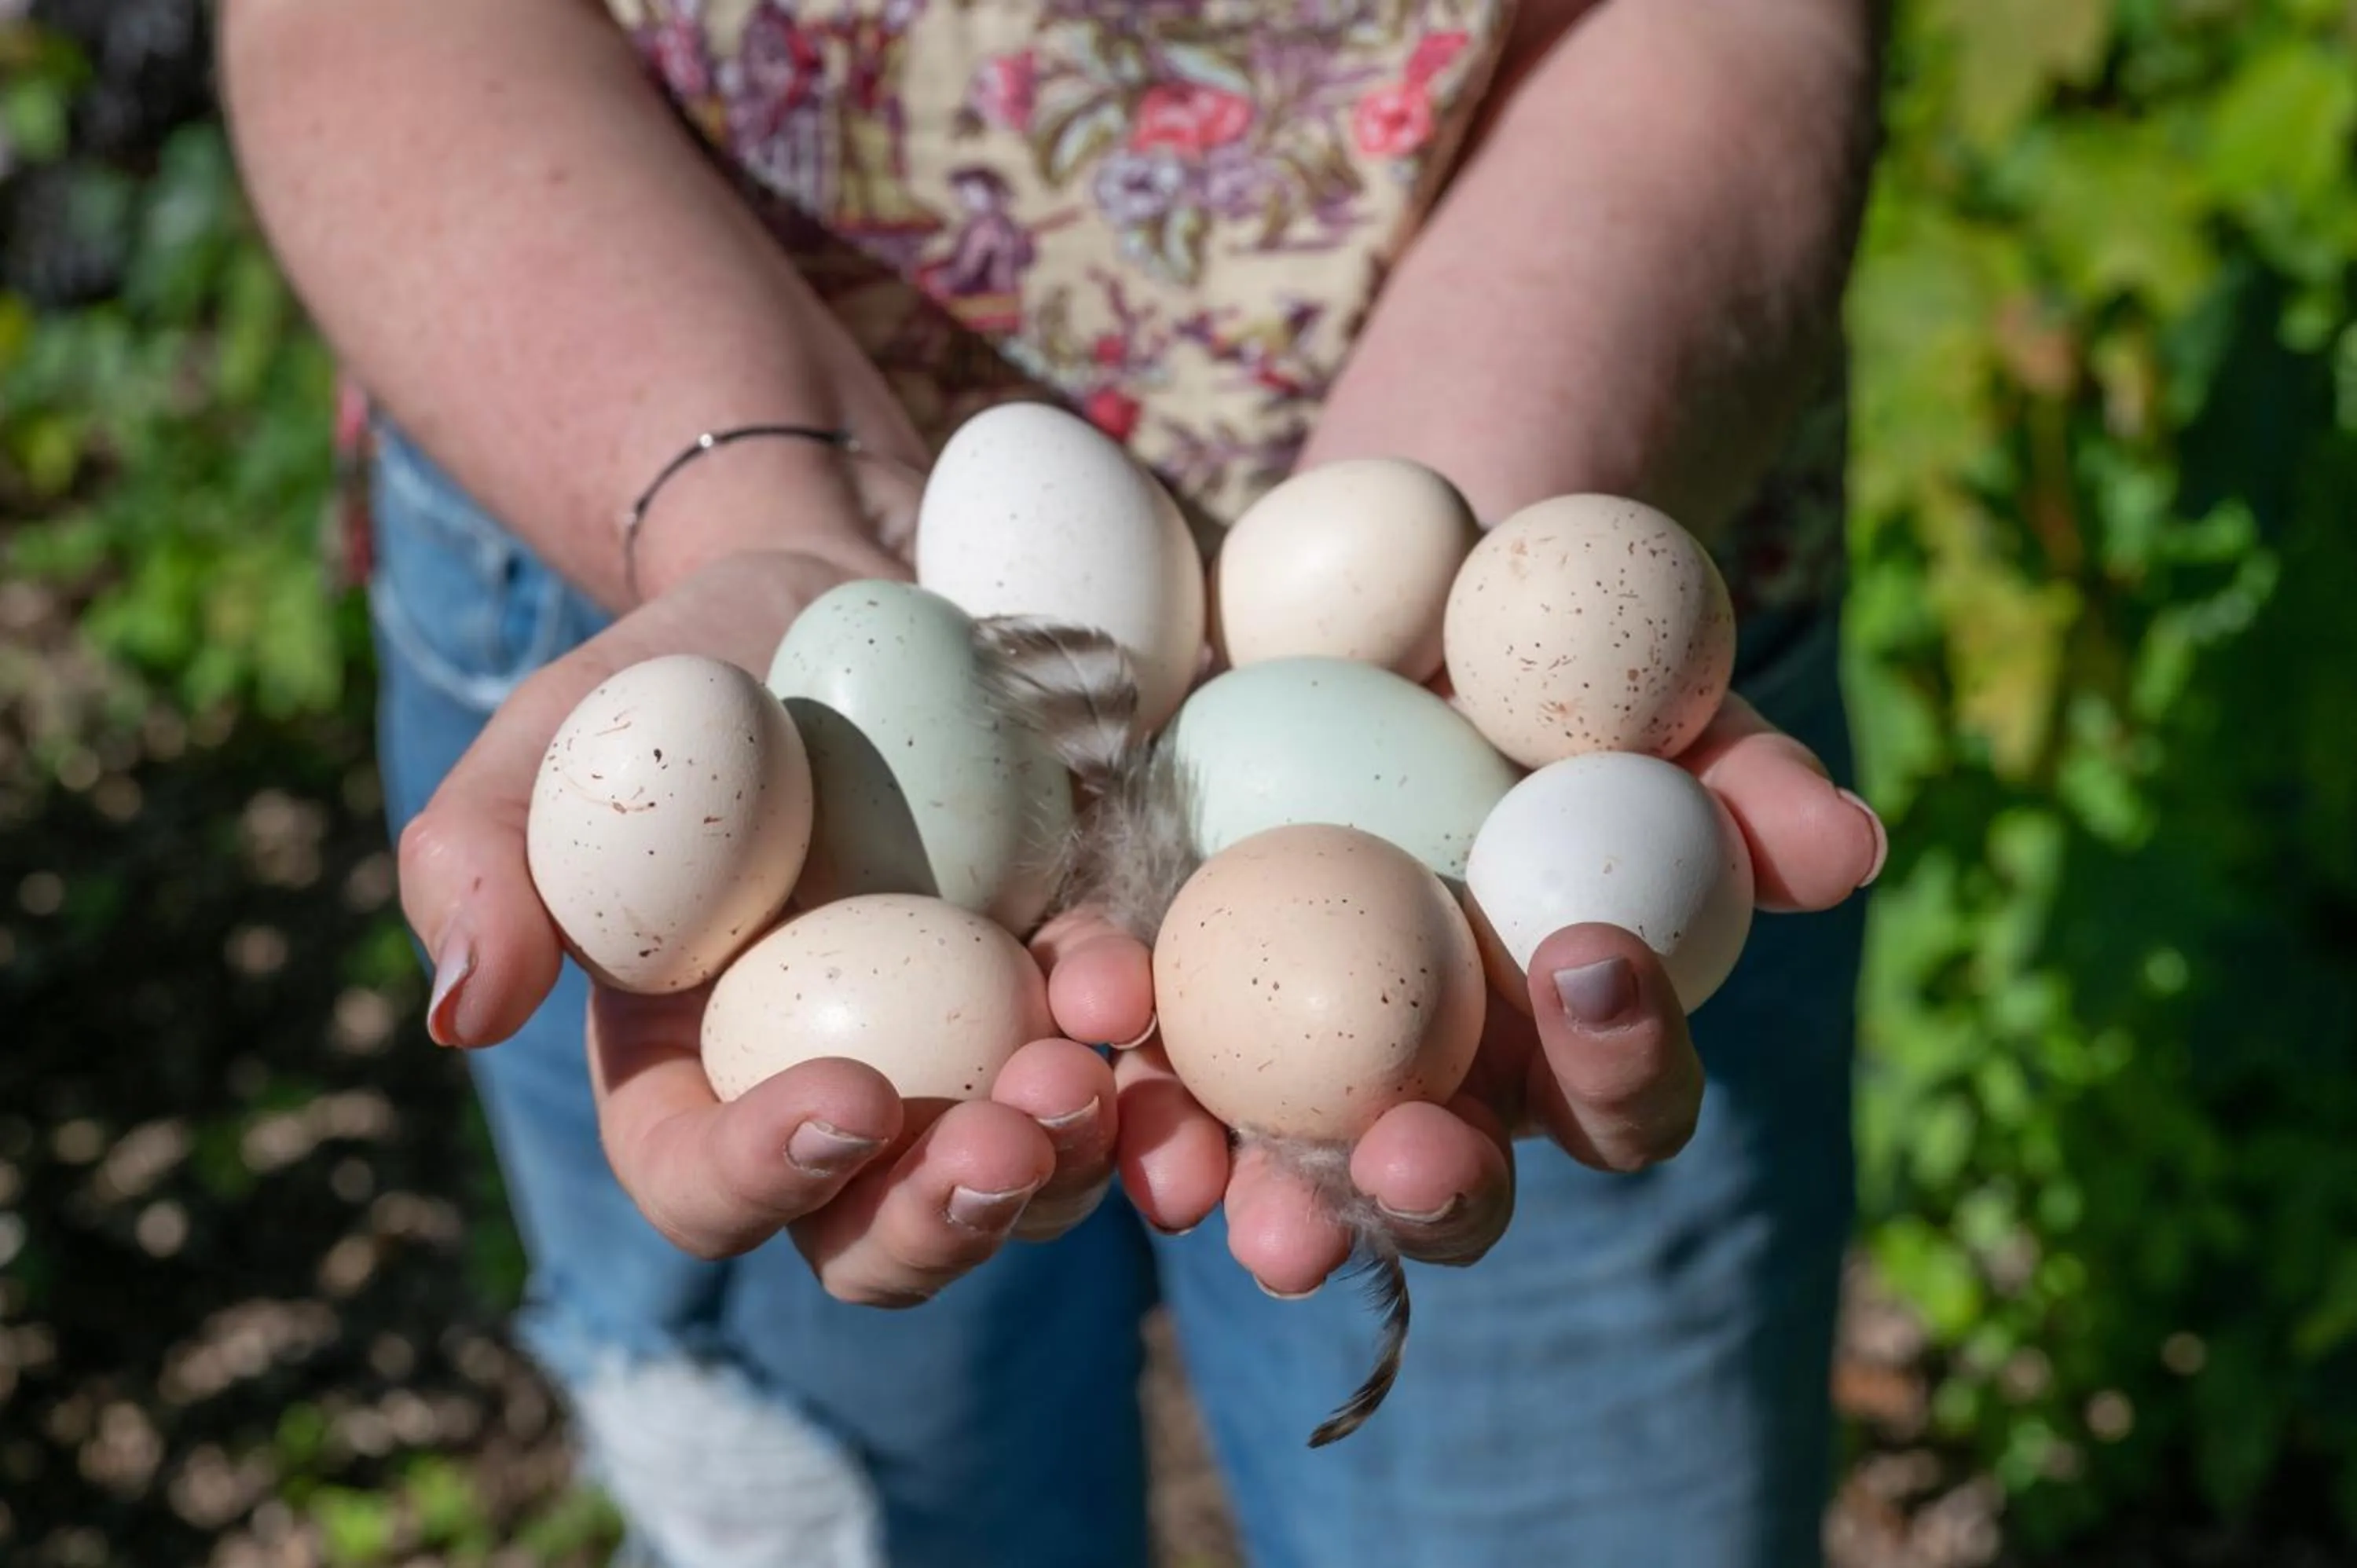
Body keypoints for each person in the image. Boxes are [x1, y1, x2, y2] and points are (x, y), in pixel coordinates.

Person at [220, 0, 1889, 1563]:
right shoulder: (739, 749)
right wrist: (758, 515)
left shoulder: (1503, 786)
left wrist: (1475, 552)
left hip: (1578, 462)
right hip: (613, 466)